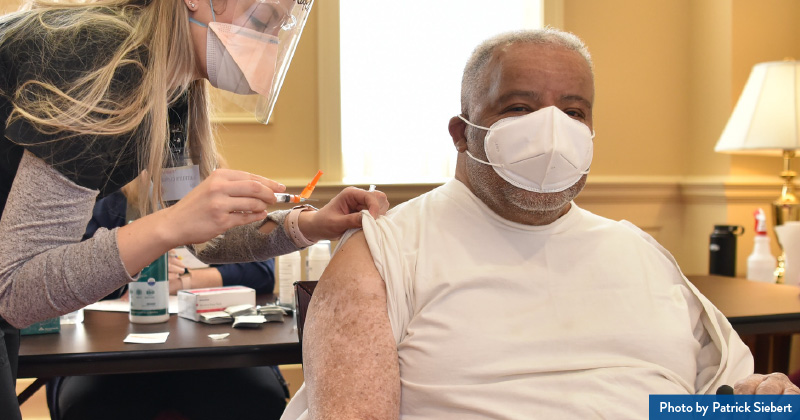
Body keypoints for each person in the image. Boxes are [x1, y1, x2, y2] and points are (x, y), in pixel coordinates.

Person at [280, 28, 800, 419]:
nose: (550, 130)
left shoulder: (637, 252)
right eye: (519, 107)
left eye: (573, 112)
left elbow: (718, 400)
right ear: (462, 134)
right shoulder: (386, 254)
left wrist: (760, 401)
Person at [0, 0, 388, 418]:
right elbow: (15, 292)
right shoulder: (99, 62)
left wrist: (310, 225)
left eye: (277, 29)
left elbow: (205, 237)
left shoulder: (170, 86)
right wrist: (170, 224)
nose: (268, 45)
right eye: (260, 20)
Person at [45, 188, 287, 420]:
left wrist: (183, 280)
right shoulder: (108, 201)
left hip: (216, 351)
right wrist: (131, 268)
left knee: (258, 399)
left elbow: (261, 272)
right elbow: (68, 278)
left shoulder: (223, 199)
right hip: (115, 356)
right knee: (92, 407)